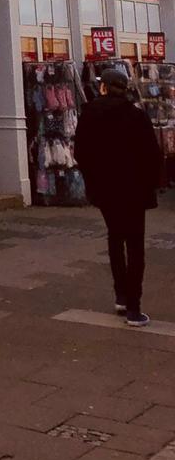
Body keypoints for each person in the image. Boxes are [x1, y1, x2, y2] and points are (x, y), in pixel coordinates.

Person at [74, 66, 164, 327]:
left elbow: (80, 152)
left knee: (115, 237)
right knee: (135, 245)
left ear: (104, 87)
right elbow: (152, 155)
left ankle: (121, 295)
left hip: (106, 190)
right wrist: (150, 186)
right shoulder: (136, 116)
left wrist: (94, 178)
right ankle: (134, 309)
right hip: (134, 191)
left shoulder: (89, 113)